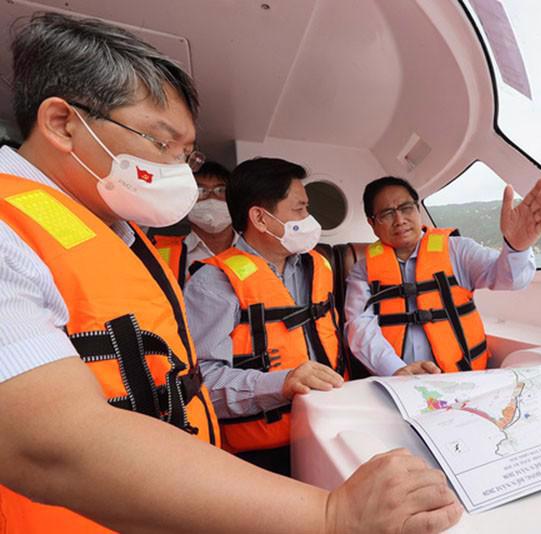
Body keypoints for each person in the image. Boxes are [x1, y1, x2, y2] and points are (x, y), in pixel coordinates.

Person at [0, 13, 461, 534]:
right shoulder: (8, 232)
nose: (182, 171)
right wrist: (330, 514)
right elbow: (50, 443)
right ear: (63, 124)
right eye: (161, 143)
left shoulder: (121, 237)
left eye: (185, 153)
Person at [184, 157, 346, 475]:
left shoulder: (318, 266)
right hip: (259, 454)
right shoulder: (213, 283)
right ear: (260, 218)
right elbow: (201, 385)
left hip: (332, 426)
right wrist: (280, 383)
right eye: (299, 210)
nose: (309, 219)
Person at [345, 176, 541, 376]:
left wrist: (516, 248)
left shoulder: (458, 250)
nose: (399, 220)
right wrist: (395, 369)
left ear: (418, 210)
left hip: (463, 379)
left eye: (406, 208)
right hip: (398, 382)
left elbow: (510, 280)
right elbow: (359, 326)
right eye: (387, 213)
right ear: (372, 224)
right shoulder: (362, 270)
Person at [150, 161, 238, 286]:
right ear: (185, 200)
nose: (211, 198)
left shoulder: (256, 248)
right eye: (201, 190)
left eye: (221, 190)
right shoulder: (158, 253)